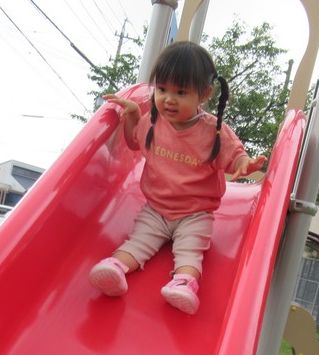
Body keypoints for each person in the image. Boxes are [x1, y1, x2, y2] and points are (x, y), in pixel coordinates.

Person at [88, 41, 267, 315]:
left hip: (195, 213)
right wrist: (133, 115)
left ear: (204, 94)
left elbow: (235, 155)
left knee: (190, 251)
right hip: (156, 209)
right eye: (162, 89)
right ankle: (115, 268)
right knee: (138, 242)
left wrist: (245, 163)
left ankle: (184, 284)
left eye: (181, 92)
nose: (169, 99)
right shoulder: (152, 121)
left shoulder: (213, 131)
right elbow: (134, 142)